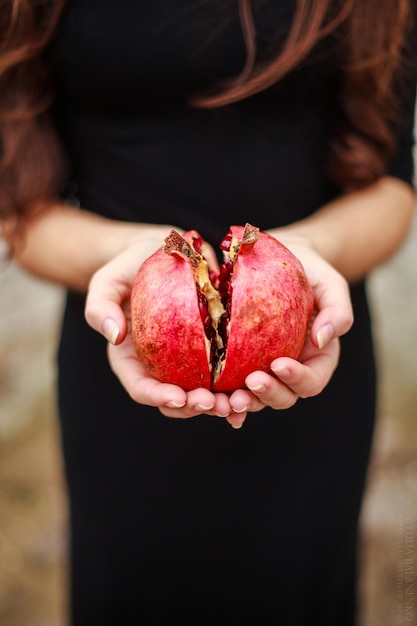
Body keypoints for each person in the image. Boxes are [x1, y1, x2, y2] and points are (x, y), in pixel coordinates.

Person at [1, 1, 416, 624]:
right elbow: (20, 212)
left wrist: (302, 259)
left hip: (304, 361)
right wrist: (125, 257)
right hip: (124, 364)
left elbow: (390, 188)